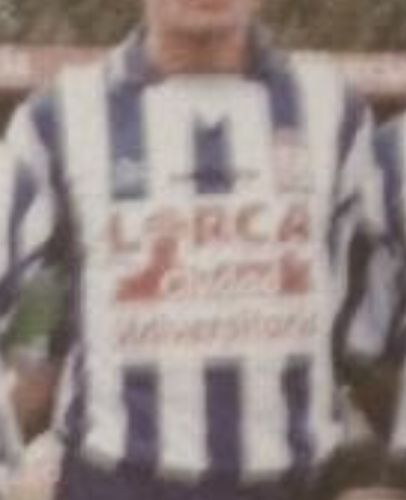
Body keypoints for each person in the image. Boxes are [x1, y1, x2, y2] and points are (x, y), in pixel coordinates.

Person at [0, 0, 397, 498]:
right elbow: (34, 331)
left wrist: (375, 474)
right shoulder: (58, 122)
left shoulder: (333, 112)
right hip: (117, 483)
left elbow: (364, 327)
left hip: (294, 482)